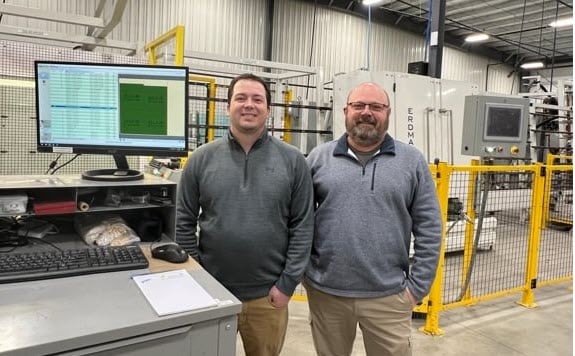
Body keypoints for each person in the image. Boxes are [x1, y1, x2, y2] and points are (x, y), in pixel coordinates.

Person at [175, 73, 314, 356]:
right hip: (212, 292)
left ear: (268, 109)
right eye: (240, 98)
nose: (248, 105)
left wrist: (287, 284)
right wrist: (199, 278)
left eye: (257, 99)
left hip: (269, 298)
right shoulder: (201, 158)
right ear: (228, 107)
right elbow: (183, 221)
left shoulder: (293, 161)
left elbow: (303, 225)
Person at [305, 82, 442, 356]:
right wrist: (305, 273)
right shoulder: (319, 158)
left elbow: (430, 226)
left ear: (388, 113)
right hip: (327, 294)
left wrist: (416, 289)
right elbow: (299, 221)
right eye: (359, 105)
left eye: (376, 107)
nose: (366, 112)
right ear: (346, 110)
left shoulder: (412, 161)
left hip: (389, 297)